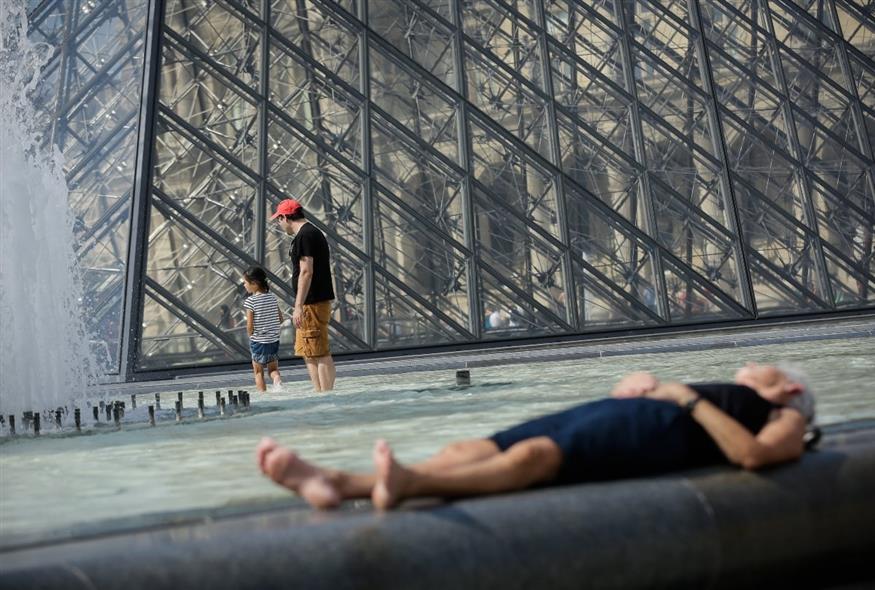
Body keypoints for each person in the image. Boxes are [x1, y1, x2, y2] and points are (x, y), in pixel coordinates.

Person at [255, 362, 816, 510]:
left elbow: (755, 457)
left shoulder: (783, 416)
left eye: (760, 369)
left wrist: (683, 396)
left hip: (654, 434)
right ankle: (333, 481)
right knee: (465, 450)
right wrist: (645, 384)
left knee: (537, 457)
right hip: (629, 413)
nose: (747, 367)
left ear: (789, 388)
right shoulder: (740, 395)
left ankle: (404, 482)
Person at [272, 199, 336, 392]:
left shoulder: (306, 236)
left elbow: (306, 271)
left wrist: (298, 305)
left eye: (279, 219)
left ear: (285, 217)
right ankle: (320, 392)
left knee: (318, 350)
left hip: (311, 302)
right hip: (311, 300)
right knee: (308, 351)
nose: (279, 224)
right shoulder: (310, 233)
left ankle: (325, 394)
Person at [242, 266, 283, 392]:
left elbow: (250, 325)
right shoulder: (272, 297)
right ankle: (277, 380)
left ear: (254, 283)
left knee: (258, 372)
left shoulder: (250, 301)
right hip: (273, 340)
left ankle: (263, 395)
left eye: (245, 282)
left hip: (258, 341)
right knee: (273, 370)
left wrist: (250, 335)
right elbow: (280, 318)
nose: (244, 285)